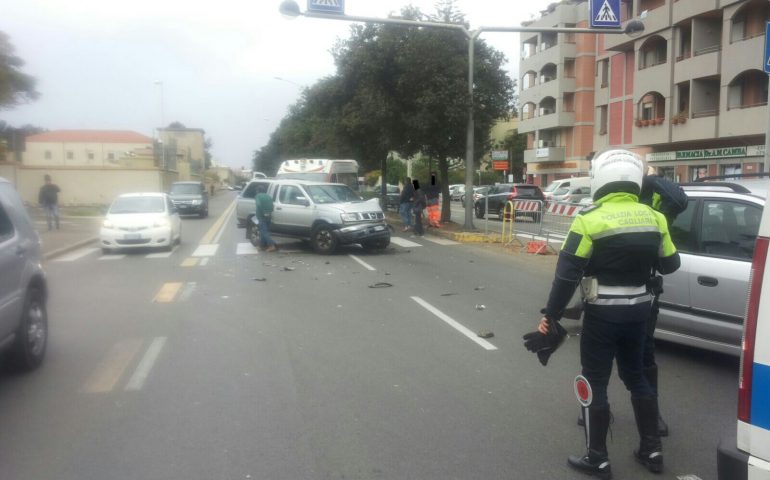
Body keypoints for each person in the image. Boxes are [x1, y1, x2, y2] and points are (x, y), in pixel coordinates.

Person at [523, 149, 680, 479]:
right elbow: (670, 264)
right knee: (636, 375)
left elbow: (566, 276)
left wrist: (550, 317)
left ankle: (598, 458)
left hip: (602, 315)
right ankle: (652, 450)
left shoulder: (588, 219)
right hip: (640, 312)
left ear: (601, 181)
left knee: (593, 379)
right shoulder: (654, 217)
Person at [254, 184, 277, 252]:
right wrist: (268, 212)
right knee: (263, 231)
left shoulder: (258, 196)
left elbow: (258, 205)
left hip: (261, 216)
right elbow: (272, 206)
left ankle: (272, 245)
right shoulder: (268, 196)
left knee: (264, 232)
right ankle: (261, 246)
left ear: (258, 191)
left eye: (256, 191)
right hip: (269, 215)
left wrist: (263, 212)